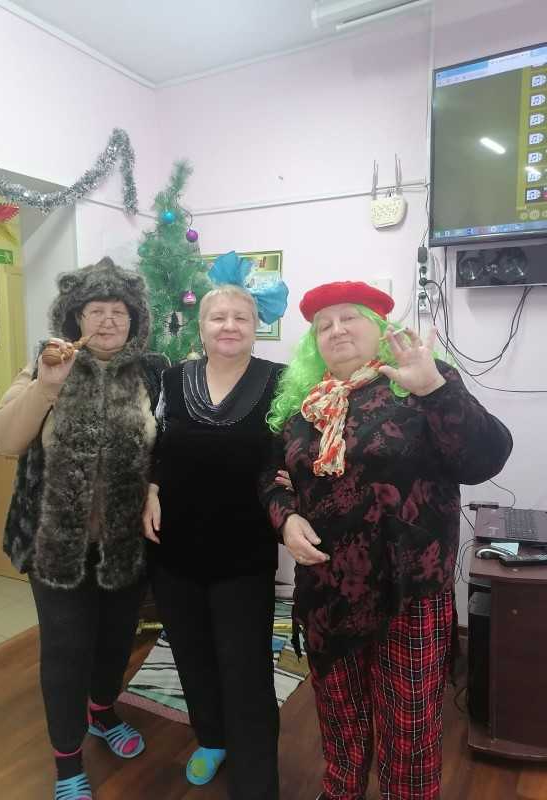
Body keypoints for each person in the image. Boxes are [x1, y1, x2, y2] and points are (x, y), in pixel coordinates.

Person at [260, 281, 513, 800]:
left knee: (410, 725)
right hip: (328, 592)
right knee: (339, 714)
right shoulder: (303, 407)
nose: (336, 330)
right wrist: (285, 519)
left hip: (408, 591)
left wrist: (435, 389)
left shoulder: (418, 383)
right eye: (323, 325)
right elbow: (272, 475)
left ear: (379, 327)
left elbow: (484, 459)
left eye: (349, 317)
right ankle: (342, 789)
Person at [0, 257, 168, 800]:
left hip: (124, 544)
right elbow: (6, 440)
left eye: (119, 311)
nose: (108, 320)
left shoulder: (153, 373)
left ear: (134, 319)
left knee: (116, 641)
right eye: (96, 310)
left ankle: (103, 711)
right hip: (56, 545)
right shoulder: (45, 365)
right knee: (66, 650)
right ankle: (67, 760)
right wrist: (46, 387)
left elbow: (167, 447)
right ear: (76, 317)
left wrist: (154, 488)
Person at [143, 284, 285, 800]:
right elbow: (155, 445)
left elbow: (290, 457)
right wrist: (151, 487)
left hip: (243, 554)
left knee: (246, 669)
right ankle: (212, 737)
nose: (229, 326)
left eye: (240, 317)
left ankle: (256, 780)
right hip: (174, 549)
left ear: (256, 326)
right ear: (200, 326)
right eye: (218, 317)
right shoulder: (172, 379)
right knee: (192, 654)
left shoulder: (282, 382)